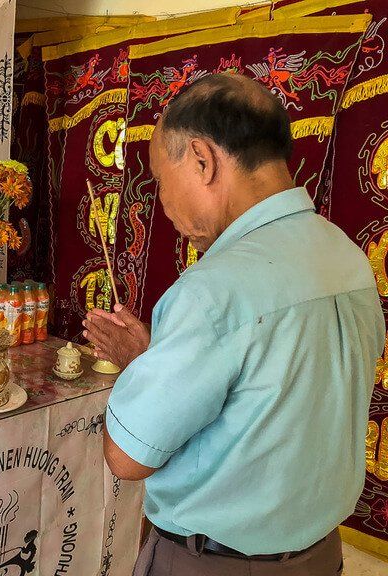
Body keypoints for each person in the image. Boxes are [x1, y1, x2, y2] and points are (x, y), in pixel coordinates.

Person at [83, 73, 385, 575]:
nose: (161, 200)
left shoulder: (212, 292)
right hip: (320, 556)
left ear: (202, 160)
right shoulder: (348, 259)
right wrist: (153, 358)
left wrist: (138, 374)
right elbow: (271, 402)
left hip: (218, 564)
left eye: (160, 178)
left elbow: (128, 457)